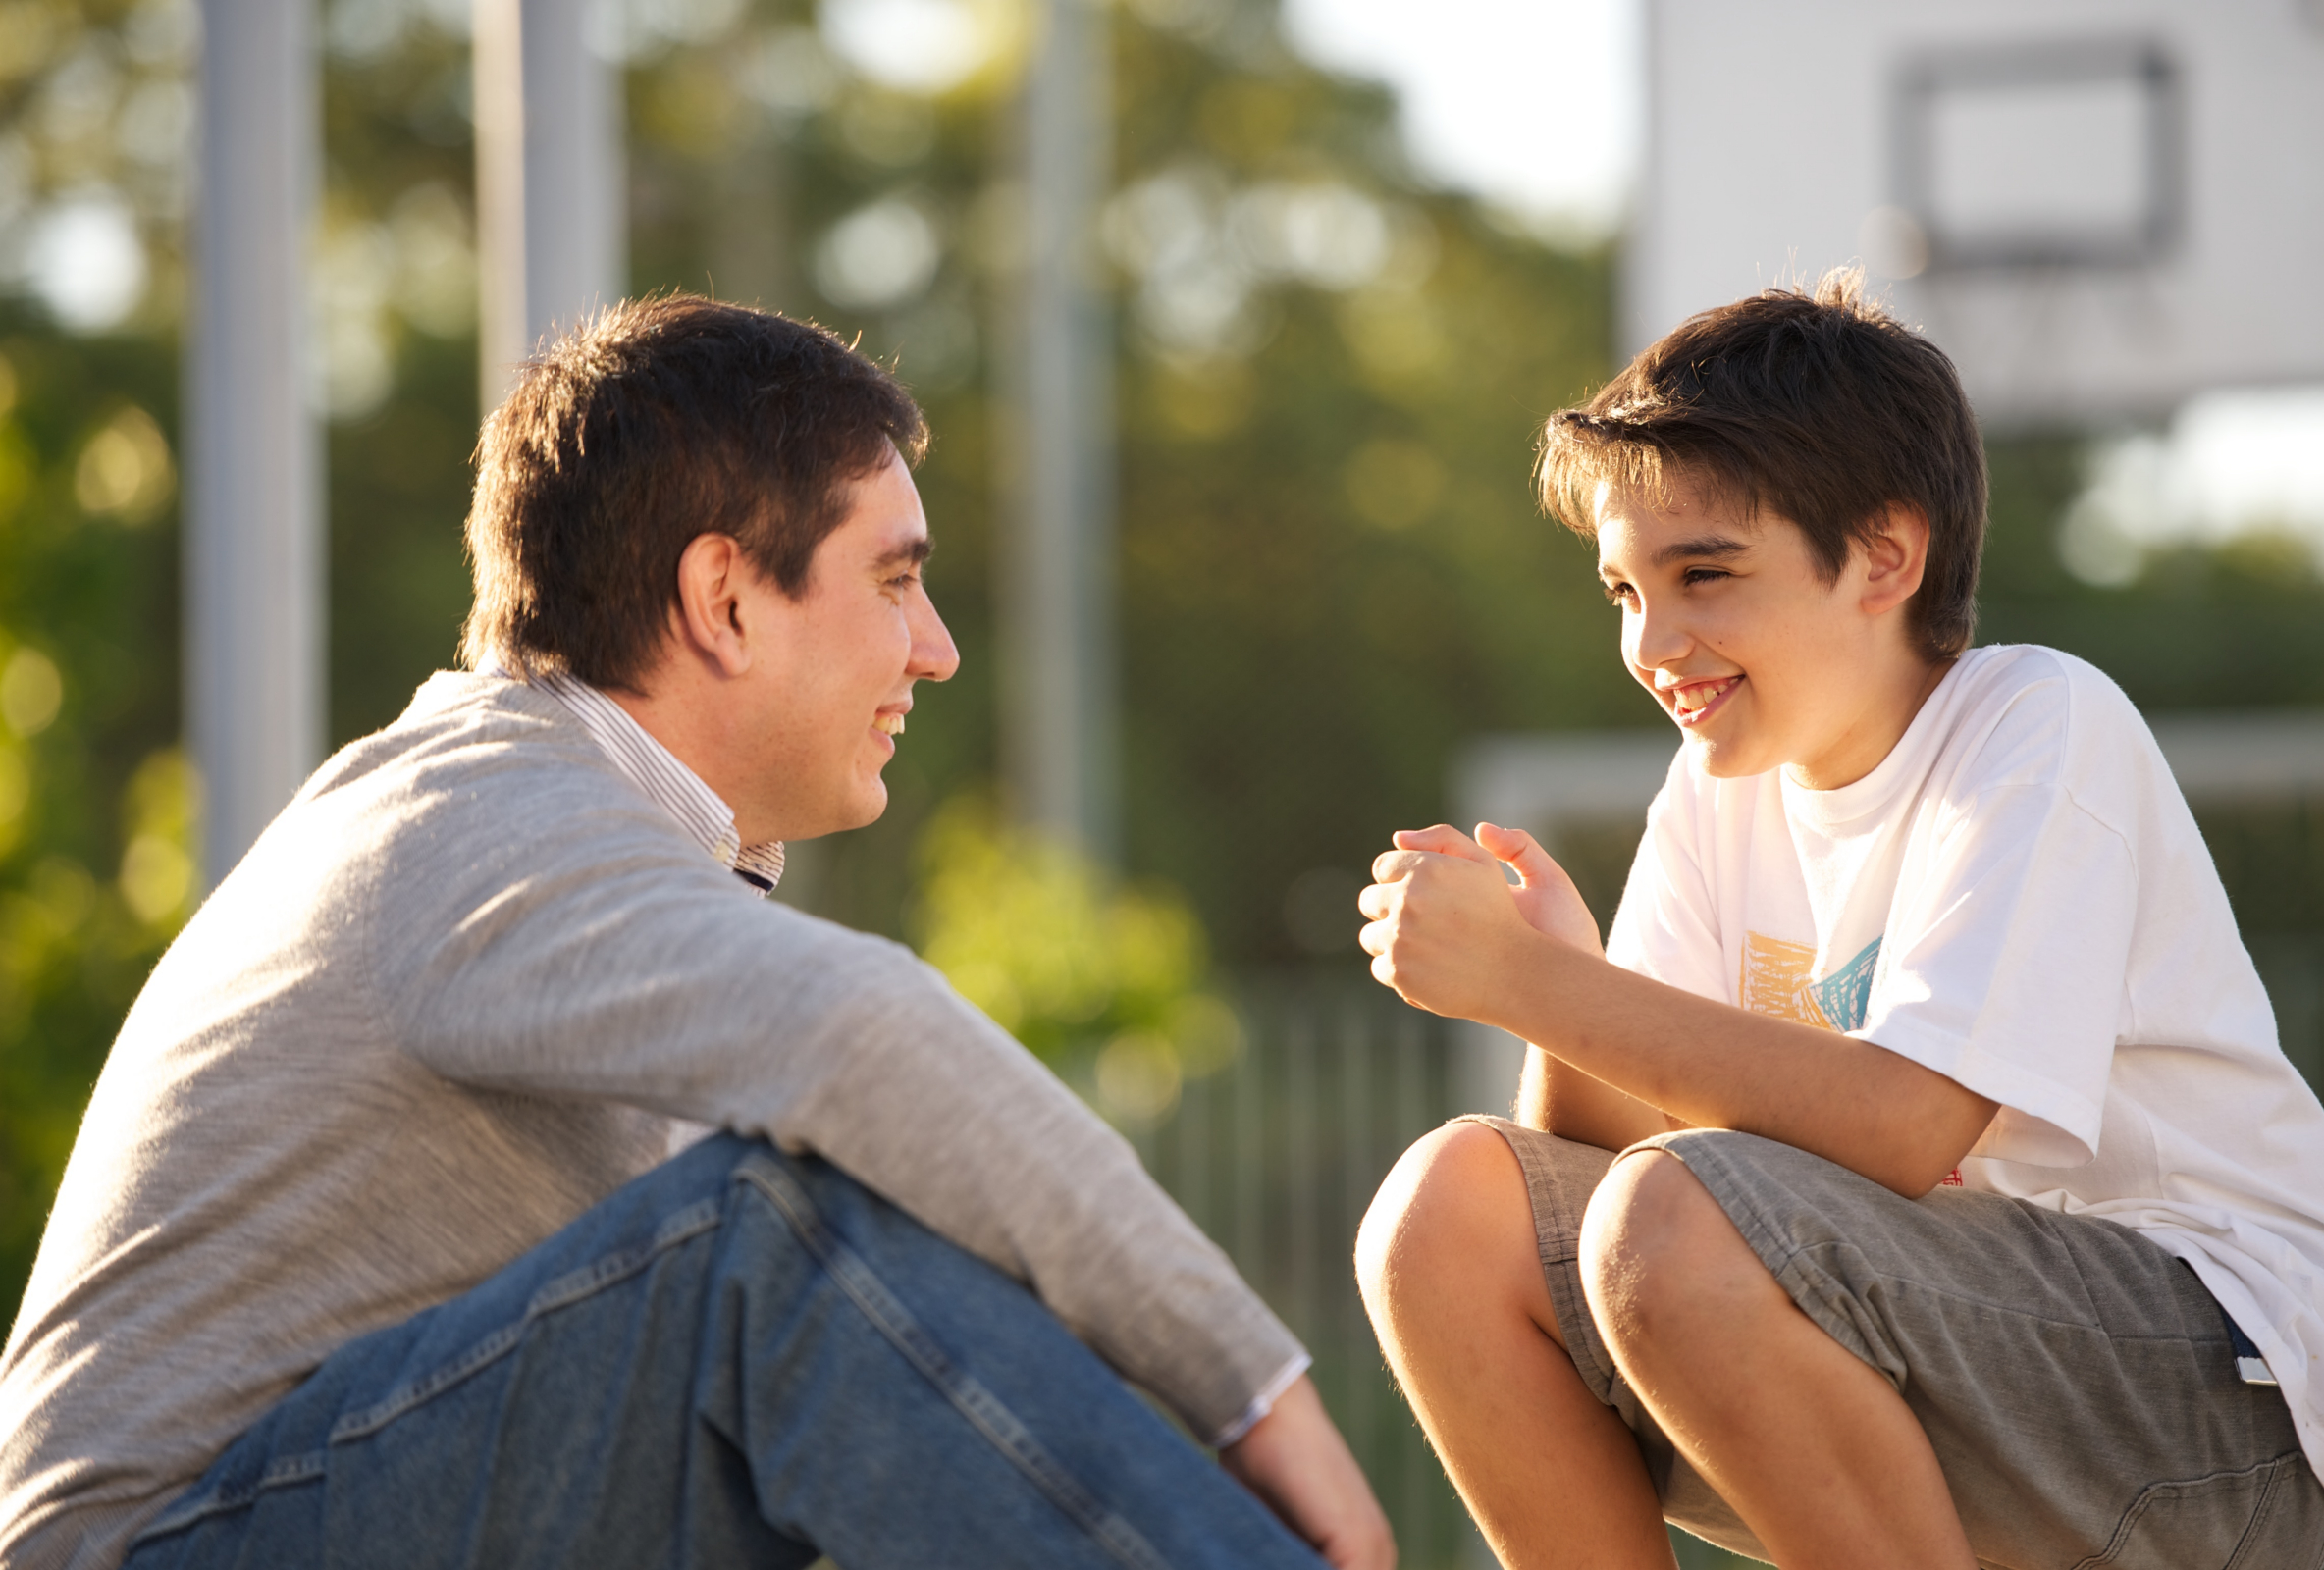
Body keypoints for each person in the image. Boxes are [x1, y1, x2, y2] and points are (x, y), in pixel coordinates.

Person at [0, 295, 1392, 1570]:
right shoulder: (480, 814)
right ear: (724, 597)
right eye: (895, 582)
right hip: (169, 1548)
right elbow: (868, 1037)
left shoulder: (551, 816)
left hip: (318, 1507)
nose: (938, 648)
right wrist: (1255, 1400)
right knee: (768, 1246)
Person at [1351, 272, 2324, 1569]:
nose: (1654, 640)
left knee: (1684, 1218)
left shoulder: (2035, 724)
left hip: (2227, 1391)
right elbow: (1597, 1174)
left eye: (1703, 573)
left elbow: (1899, 1127)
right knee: (1449, 1209)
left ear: (1884, 556)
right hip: (1948, 1341)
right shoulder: (1725, 788)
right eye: (1622, 590)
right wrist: (1552, 984)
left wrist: (1542, 992)